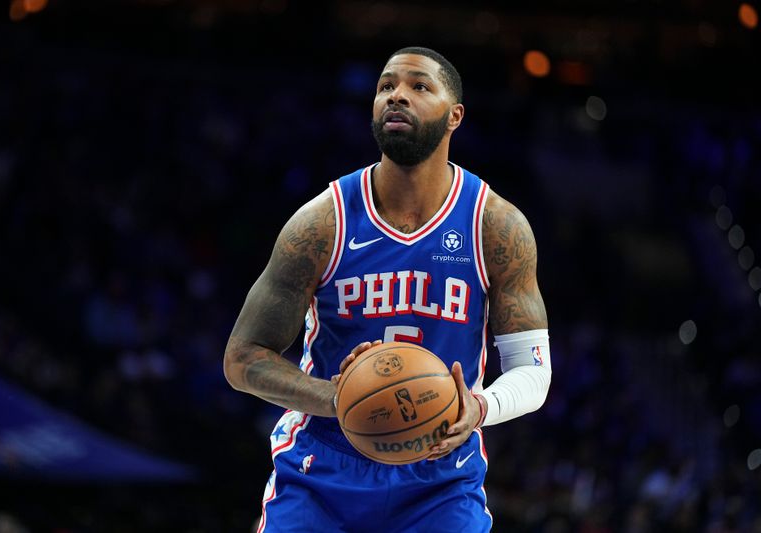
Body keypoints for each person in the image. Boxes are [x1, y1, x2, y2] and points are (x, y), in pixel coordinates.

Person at [224, 46, 551, 532]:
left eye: (419, 86)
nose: (397, 96)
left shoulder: (495, 227)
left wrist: (478, 406)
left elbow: (534, 371)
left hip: (441, 479)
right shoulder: (323, 223)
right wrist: (336, 398)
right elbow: (242, 359)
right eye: (386, 86)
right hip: (322, 469)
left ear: (454, 115)